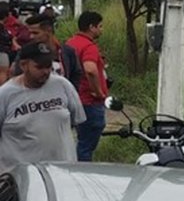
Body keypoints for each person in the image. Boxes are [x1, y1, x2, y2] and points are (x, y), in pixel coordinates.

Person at [0, 42, 85, 172]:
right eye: (39, 67)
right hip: (21, 179)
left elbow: (76, 120)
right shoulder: (6, 95)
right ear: (24, 65)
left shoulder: (62, 85)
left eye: (48, 66)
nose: (46, 72)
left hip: (63, 172)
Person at [66, 11, 108, 162]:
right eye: (100, 26)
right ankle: (82, 174)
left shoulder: (70, 43)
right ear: (92, 27)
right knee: (86, 145)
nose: (102, 30)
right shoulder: (89, 46)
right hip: (89, 101)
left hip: (73, 98)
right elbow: (90, 69)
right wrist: (98, 92)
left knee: (78, 140)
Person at [9, 14, 81, 89]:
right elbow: (17, 76)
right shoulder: (25, 53)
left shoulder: (67, 51)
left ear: (48, 30)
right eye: (30, 33)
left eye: (35, 33)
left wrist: (70, 91)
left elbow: (76, 73)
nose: (31, 36)